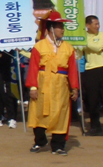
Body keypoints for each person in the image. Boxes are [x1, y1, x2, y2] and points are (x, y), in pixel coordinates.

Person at [27, 11, 80, 155]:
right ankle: (40, 141)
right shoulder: (39, 46)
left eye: (63, 27)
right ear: (51, 28)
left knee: (61, 113)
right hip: (43, 82)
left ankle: (58, 145)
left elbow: (72, 69)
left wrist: (74, 88)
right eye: (59, 27)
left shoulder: (68, 47)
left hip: (61, 85)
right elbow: (33, 67)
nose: (62, 30)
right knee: (39, 113)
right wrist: (33, 87)